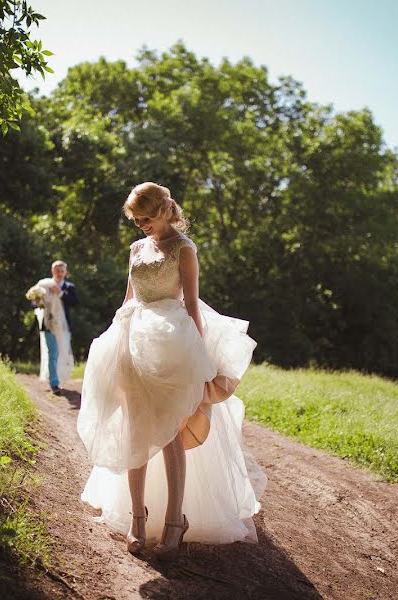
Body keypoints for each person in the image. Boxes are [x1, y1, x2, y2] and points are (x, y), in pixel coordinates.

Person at [77, 182, 266, 561]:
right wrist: (113, 340)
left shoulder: (185, 248)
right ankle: (136, 518)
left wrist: (201, 358)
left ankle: (174, 520)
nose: (142, 225)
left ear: (164, 210)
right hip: (132, 338)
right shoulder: (135, 249)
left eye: (146, 217)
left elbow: (192, 305)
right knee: (134, 428)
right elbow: (128, 300)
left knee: (170, 434)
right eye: (137, 220)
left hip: (171, 343)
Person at [33, 260, 77, 394]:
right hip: (48, 324)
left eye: (62, 271)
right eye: (57, 271)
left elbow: (75, 302)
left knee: (63, 352)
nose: (59, 273)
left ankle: (60, 377)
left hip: (64, 327)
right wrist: (37, 302)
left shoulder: (69, 287)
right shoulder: (44, 285)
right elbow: (35, 304)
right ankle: (54, 383)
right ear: (52, 271)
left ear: (65, 272)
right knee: (52, 353)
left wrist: (60, 293)